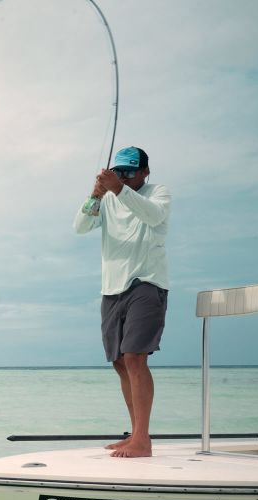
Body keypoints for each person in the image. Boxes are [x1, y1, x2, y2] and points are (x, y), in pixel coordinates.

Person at [74, 146, 171, 458]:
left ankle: (143, 439)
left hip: (146, 283)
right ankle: (135, 434)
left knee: (134, 357)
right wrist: (96, 194)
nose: (125, 178)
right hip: (111, 289)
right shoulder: (110, 198)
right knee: (119, 362)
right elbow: (81, 227)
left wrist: (117, 189)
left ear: (145, 171)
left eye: (131, 172)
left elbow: (152, 215)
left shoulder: (158, 193)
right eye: (120, 172)